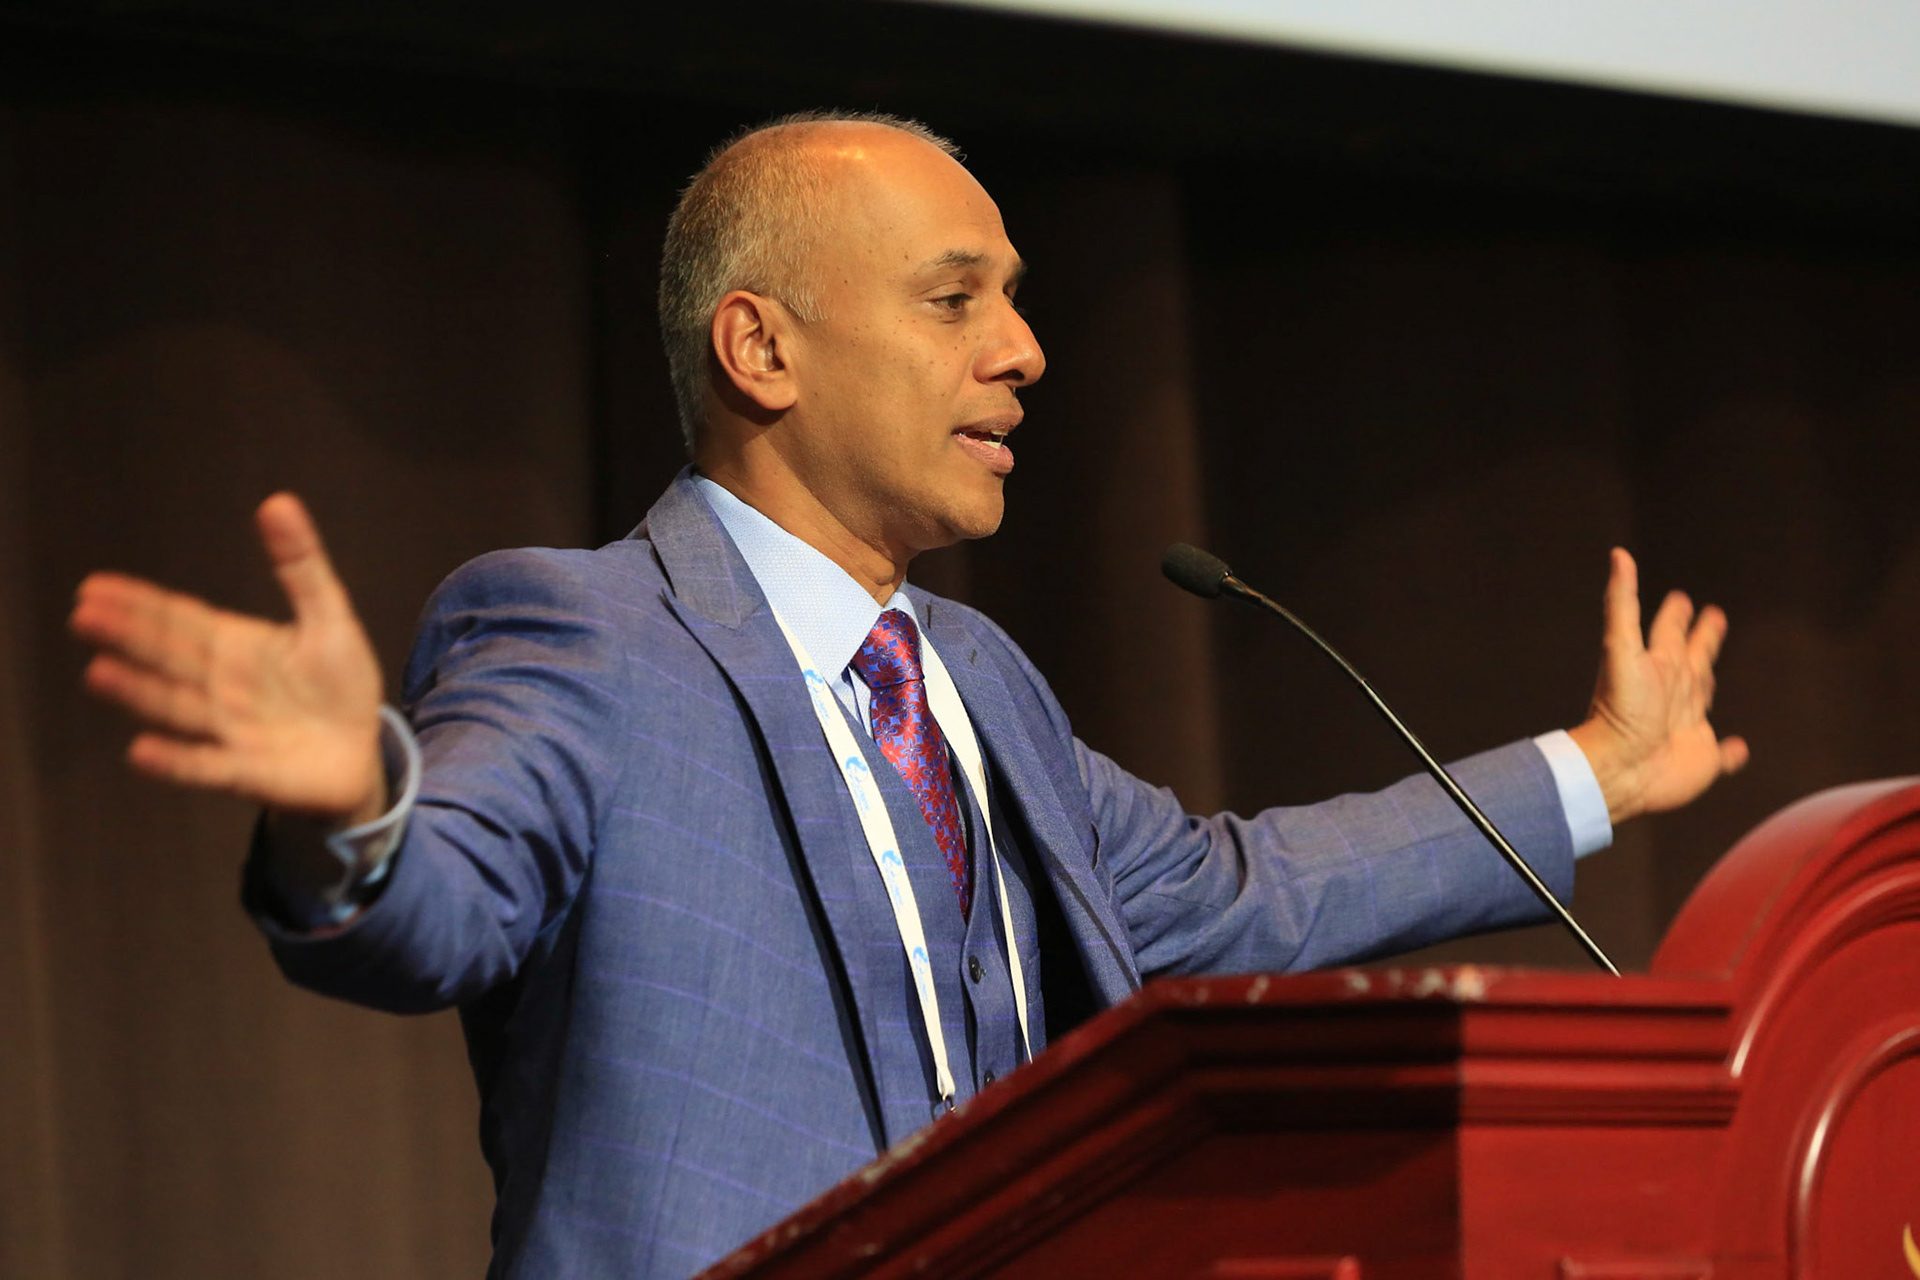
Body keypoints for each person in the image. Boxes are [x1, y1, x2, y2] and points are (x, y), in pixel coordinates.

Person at [69, 111, 1747, 1279]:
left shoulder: (983, 689)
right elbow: (436, 903)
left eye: (1012, 301)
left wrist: (1596, 768)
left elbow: (1243, 895)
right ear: (765, 351)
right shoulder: (582, 634)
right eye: (959, 300)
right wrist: (354, 800)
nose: (1023, 350)